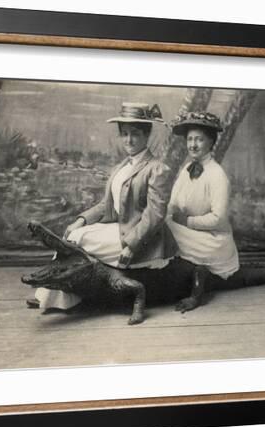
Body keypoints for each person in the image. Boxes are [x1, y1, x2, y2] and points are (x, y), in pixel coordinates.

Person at [30, 102, 177, 314]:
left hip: (145, 238)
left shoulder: (157, 169)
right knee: (75, 233)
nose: (129, 140)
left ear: (147, 135)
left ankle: (56, 298)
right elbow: (105, 205)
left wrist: (132, 246)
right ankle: (53, 297)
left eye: (135, 134)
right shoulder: (121, 168)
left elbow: (155, 215)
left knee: (76, 241)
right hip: (120, 227)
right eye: (124, 134)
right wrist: (81, 220)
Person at [166, 111, 240, 312]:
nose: (193, 145)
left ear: (211, 142)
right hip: (189, 233)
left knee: (165, 234)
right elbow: (172, 203)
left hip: (213, 240)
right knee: (159, 227)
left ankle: (197, 278)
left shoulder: (217, 175)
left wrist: (186, 221)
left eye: (199, 139)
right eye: (190, 139)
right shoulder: (187, 168)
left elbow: (218, 219)